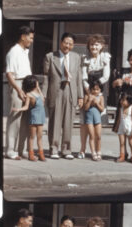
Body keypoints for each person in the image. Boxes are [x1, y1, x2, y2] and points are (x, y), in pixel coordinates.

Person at [43, 32, 82, 160]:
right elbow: (46, 77)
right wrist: (44, 94)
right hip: (56, 91)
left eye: (71, 44)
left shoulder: (76, 57)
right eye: (66, 43)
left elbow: (78, 78)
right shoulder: (50, 56)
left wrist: (80, 96)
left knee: (68, 122)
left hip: (70, 92)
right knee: (55, 121)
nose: (68, 46)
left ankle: (66, 149)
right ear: (60, 42)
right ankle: (53, 149)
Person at [79, 34, 111, 160]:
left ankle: (97, 149)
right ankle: (82, 148)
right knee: (84, 122)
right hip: (87, 91)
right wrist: (88, 91)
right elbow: (83, 77)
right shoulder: (85, 58)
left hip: (99, 91)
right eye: (92, 44)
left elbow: (106, 76)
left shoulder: (105, 58)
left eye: (97, 44)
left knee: (97, 122)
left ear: (101, 46)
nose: (94, 47)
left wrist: (96, 90)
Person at [5, 26, 34, 160]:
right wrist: (18, 89)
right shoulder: (13, 51)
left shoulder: (24, 52)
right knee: (15, 119)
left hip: (28, 85)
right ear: (23, 36)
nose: (31, 41)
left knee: (25, 121)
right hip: (18, 84)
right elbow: (9, 74)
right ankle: (10, 150)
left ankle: (21, 150)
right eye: (30, 38)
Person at [12, 76, 45, 161]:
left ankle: (41, 154)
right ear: (33, 83)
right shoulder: (29, 95)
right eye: (36, 82)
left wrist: (39, 90)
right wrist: (18, 109)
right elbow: (26, 107)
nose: (38, 83)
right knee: (31, 137)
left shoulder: (38, 93)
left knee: (40, 137)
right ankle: (31, 155)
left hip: (41, 117)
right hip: (34, 118)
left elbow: (43, 101)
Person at [81, 80, 106, 161]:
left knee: (98, 136)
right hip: (89, 119)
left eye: (97, 89)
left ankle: (99, 151)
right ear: (90, 89)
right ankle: (93, 152)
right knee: (92, 136)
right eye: (94, 89)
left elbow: (102, 109)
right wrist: (90, 101)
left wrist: (96, 103)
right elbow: (85, 108)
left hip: (97, 119)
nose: (95, 91)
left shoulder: (101, 97)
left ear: (100, 90)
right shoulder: (87, 96)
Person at [116, 94, 132, 163]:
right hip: (121, 128)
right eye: (121, 100)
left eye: (123, 100)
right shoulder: (121, 109)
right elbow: (119, 118)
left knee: (131, 143)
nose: (121, 102)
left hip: (130, 129)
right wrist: (117, 127)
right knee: (122, 143)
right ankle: (122, 156)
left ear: (129, 101)